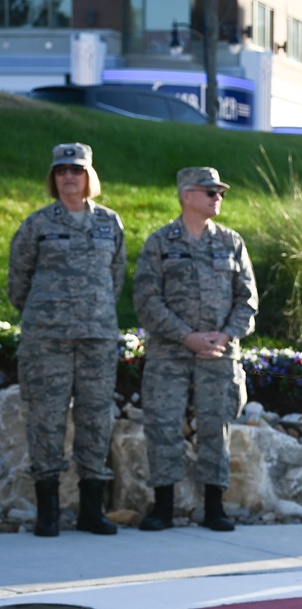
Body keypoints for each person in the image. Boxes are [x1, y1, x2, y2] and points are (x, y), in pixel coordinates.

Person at [7, 142, 125, 537]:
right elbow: (18, 280)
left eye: (76, 170)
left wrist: (95, 311)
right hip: (47, 340)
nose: (68, 177)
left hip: (96, 338)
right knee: (46, 420)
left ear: (88, 176)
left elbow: (117, 278)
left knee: (94, 420)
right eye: (61, 171)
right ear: (53, 178)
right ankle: (49, 512)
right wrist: (45, 314)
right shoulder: (38, 224)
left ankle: (91, 510)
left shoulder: (110, 223)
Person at [133, 167, 258, 532]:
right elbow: (146, 299)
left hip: (219, 353)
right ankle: (164, 506)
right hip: (170, 352)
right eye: (210, 192)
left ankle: (214, 507)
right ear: (187, 195)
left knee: (214, 425)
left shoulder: (231, 242)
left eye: (220, 193)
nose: (217, 198)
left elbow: (247, 299)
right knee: (163, 425)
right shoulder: (160, 243)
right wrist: (186, 335)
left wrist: (225, 336)